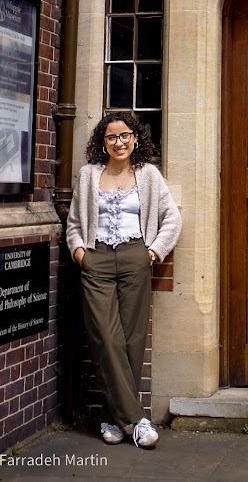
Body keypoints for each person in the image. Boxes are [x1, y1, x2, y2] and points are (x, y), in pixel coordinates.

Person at [66, 112, 182, 449]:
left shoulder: (148, 176)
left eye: (125, 136)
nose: (119, 143)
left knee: (132, 340)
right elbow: (74, 223)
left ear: (136, 138)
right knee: (106, 337)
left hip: (136, 257)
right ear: (102, 142)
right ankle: (138, 420)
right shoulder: (89, 176)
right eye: (111, 137)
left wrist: (153, 252)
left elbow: (171, 218)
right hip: (96, 258)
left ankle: (111, 417)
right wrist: (80, 253)